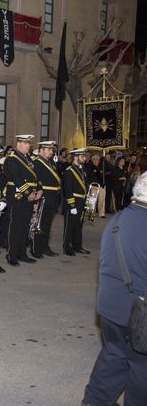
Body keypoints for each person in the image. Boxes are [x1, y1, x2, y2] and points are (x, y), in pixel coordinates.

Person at [82, 173, 147, 406]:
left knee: (114, 355)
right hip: (139, 313)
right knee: (142, 369)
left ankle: (94, 401)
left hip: (110, 307)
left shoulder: (118, 218)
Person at [3, 135, 42, 266]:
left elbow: (35, 176)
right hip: (17, 196)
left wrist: (39, 189)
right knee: (15, 226)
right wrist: (28, 192)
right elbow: (16, 178)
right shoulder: (12, 159)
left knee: (25, 225)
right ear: (19, 144)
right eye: (26, 144)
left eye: (29, 144)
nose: (29, 146)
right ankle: (12, 255)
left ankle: (22, 253)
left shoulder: (28, 158)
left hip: (29, 196)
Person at [31, 141, 61, 258]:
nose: (51, 152)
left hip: (53, 196)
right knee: (39, 224)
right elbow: (35, 181)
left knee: (47, 224)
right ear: (41, 151)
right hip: (43, 196)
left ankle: (45, 247)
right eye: (48, 150)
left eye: (51, 150)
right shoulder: (37, 163)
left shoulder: (51, 163)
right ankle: (36, 249)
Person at [63, 148, 89, 256]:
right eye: (82, 157)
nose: (85, 158)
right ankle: (67, 247)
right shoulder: (69, 170)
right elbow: (68, 189)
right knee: (70, 226)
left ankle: (77, 246)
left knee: (79, 225)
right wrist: (72, 205)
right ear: (76, 157)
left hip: (81, 200)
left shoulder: (82, 169)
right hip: (73, 201)